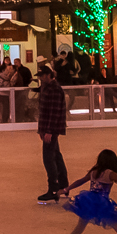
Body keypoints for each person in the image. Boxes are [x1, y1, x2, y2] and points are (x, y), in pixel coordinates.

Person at [33, 62, 70, 203]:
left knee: (48, 158)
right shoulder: (47, 87)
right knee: (56, 155)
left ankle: (54, 189)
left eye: (43, 76)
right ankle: (63, 185)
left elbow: (53, 113)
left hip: (52, 128)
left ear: (49, 75)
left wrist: (48, 131)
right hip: (48, 127)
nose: (41, 78)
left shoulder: (54, 89)